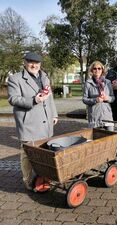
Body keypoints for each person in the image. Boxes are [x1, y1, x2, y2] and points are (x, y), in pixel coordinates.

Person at [7, 52, 58, 191]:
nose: (34, 65)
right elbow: (13, 99)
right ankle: (28, 181)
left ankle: (44, 178)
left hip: (45, 121)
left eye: (37, 63)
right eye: (30, 62)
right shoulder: (15, 78)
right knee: (27, 153)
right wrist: (33, 100)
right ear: (25, 62)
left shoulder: (44, 76)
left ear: (40, 64)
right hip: (28, 122)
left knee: (44, 152)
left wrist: (54, 114)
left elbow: (50, 97)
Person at [83, 61, 115, 130]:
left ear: (102, 70)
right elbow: (84, 99)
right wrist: (95, 100)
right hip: (94, 117)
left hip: (107, 116)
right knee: (95, 140)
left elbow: (113, 98)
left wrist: (107, 98)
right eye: (95, 68)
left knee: (110, 139)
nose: (97, 70)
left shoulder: (108, 82)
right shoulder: (88, 83)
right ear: (92, 70)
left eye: (99, 68)